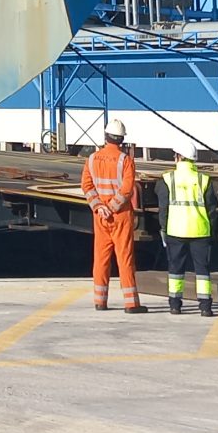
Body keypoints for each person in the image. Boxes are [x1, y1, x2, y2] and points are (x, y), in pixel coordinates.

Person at [79, 119, 141, 313]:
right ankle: (131, 303)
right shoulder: (126, 160)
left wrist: (99, 207)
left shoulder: (91, 159)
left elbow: (86, 186)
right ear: (121, 139)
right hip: (120, 215)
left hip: (101, 217)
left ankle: (100, 301)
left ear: (106, 137)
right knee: (125, 258)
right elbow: (127, 189)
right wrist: (112, 207)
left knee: (101, 258)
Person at [162, 152, 215, 317]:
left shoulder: (167, 179)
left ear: (177, 156)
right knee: (202, 270)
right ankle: (205, 306)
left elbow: (163, 209)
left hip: (175, 230)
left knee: (176, 269)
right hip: (200, 231)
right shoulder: (204, 179)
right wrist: (211, 230)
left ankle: (175, 305)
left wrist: (163, 228)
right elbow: (212, 210)